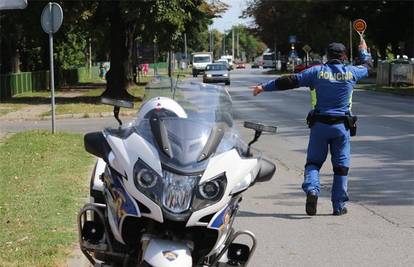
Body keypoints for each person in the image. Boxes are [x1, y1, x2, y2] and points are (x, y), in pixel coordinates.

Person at [252, 39, 372, 216]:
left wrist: (263, 87)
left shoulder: (317, 72)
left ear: (327, 56)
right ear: (344, 56)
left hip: (320, 126)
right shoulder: (351, 72)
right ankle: (338, 206)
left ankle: (312, 190)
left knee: (314, 163)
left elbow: (290, 81)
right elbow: (368, 66)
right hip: (341, 127)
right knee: (341, 167)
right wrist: (364, 51)